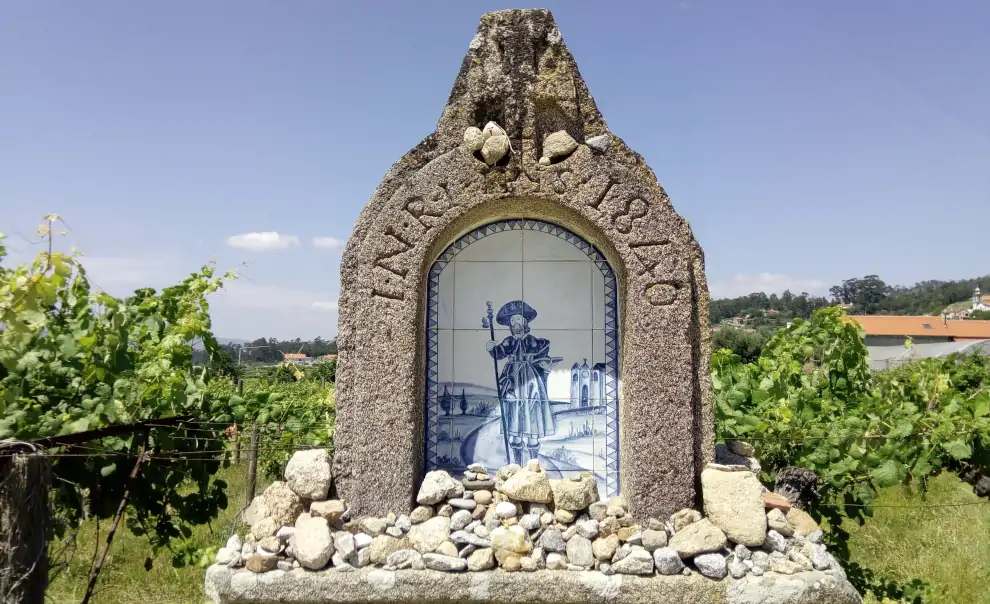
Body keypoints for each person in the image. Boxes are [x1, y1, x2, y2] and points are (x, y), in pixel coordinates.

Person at [486, 300, 559, 464]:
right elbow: (499, 354)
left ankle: (534, 465)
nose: (515, 324)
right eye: (512, 321)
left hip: (530, 384)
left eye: (518, 320)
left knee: (532, 423)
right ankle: (516, 466)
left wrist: (545, 366)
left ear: (525, 322)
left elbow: (543, 359)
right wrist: (491, 348)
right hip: (512, 383)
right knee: (514, 426)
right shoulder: (508, 341)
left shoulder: (534, 341)